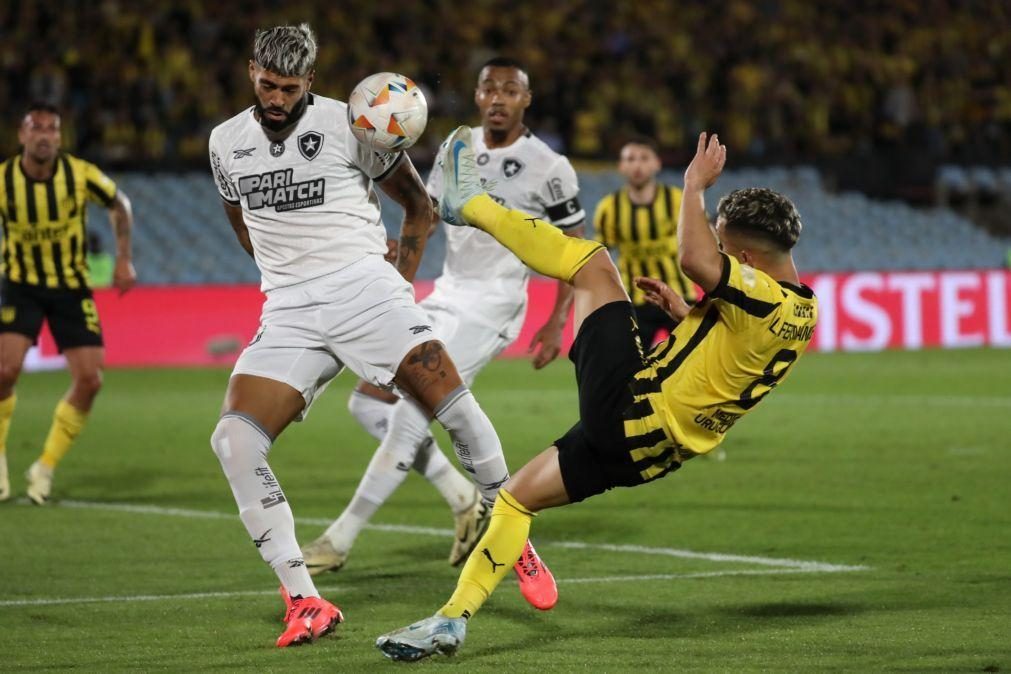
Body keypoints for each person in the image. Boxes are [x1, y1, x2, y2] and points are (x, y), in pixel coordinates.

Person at [375, 127, 818, 661]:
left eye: (725, 246)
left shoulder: (762, 295)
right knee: (515, 498)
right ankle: (450, 621)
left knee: (592, 265)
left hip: (633, 407)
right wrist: (687, 315)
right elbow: (735, 352)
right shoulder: (803, 311)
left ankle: (470, 203)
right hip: (649, 453)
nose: (719, 251)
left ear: (744, 254)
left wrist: (694, 187)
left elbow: (693, 259)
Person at [206, 25, 545, 648]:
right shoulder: (226, 143)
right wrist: (281, 274)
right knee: (233, 441)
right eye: (266, 83)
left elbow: (418, 208)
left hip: (366, 291)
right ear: (251, 70)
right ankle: (305, 601)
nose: (276, 98)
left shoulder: (354, 123)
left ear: (310, 80)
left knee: (455, 409)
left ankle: (513, 534)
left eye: (289, 87)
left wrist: (397, 285)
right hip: (288, 311)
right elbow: (241, 218)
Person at [302, 56, 581, 611]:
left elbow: (573, 245)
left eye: (510, 90)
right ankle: (464, 497)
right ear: (477, 96)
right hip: (451, 293)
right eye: (489, 88)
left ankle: (338, 540)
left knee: (409, 414)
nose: (498, 97)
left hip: (496, 303)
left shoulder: (549, 166)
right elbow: (426, 214)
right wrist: (396, 263)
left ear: (526, 101)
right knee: (367, 404)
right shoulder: (458, 149)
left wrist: (557, 320)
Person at [0, 102, 136, 505]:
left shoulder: (79, 174)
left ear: (59, 137)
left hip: (70, 289)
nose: (44, 135)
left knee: (91, 380)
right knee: (4, 370)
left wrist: (124, 258)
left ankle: (44, 466)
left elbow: (119, 204)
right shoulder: (5, 180)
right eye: (35, 127)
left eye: (52, 129)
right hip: (19, 284)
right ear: (22, 135)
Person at [593, 136, 697, 349]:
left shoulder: (677, 201)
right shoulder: (609, 208)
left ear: (656, 163)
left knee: (695, 366)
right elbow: (598, 258)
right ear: (621, 166)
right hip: (633, 302)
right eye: (630, 159)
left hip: (679, 297)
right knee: (630, 371)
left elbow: (703, 244)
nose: (637, 165)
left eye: (644, 158)